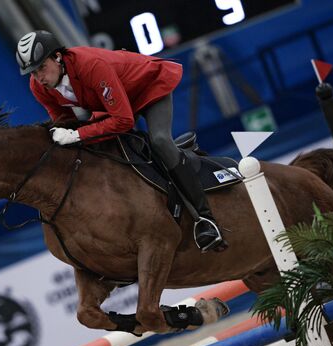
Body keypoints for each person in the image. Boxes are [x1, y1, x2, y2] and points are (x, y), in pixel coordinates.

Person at [15, 30, 225, 252]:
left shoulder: (91, 65)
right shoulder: (38, 87)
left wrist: (77, 135)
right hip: (113, 106)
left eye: (41, 68)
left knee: (160, 141)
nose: (39, 77)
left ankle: (205, 218)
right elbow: (65, 122)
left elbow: (123, 121)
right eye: (32, 72)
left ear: (57, 57)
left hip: (148, 87)